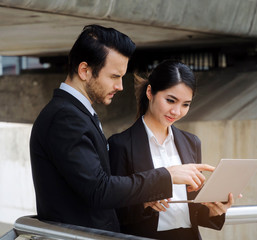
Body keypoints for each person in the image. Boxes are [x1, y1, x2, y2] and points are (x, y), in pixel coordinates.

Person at [29, 25, 214, 233]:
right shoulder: (65, 118)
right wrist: (167, 176)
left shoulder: (76, 113)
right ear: (84, 71)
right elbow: (99, 190)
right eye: (114, 76)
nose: (120, 86)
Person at [108, 60, 234, 240]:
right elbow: (112, 212)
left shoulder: (192, 142)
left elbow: (191, 210)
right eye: (170, 100)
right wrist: (143, 203)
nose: (176, 111)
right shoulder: (120, 145)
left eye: (185, 104)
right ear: (150, 92)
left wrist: (215, 210)